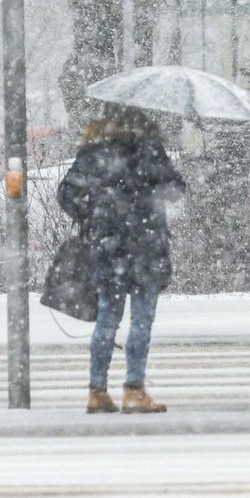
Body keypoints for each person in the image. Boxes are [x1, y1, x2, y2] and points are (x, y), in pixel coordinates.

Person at [57, 104, 185, 414]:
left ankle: (97, 390)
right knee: (141, 320)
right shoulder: (149, 150)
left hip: (109, 245)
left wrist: (93, 216)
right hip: (145, 246)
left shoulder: (93, 152)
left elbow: (66, 193)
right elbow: (175, 189)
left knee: (107, 319)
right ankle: (133, 389)